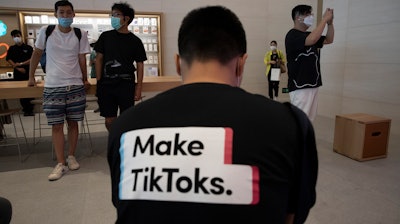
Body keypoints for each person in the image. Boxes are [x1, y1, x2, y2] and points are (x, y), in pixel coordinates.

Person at [107, 5, 318, 224]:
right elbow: (291, 216)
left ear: (178, 63)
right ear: (241, 64)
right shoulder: (289, 124)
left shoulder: (125, 127)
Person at [28, 0, 91, 181]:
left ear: (73, 14)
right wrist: (31, 77)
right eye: (61, 12)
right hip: (53, 85)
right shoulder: (46, 32)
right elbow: (37, 54)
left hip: (75, 85)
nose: (65, 16)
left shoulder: (79, 34)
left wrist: (85, 78)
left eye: (68, 12)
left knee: (73, 123)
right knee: (56, 126)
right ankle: (61, 163)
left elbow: (81, 59)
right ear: (55, 14)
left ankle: (71, 155)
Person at [94, 2, 147, 131]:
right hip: (106, 85)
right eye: (112, 15)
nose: (113, 18)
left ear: (126, 18)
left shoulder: (135, 41)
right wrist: (99, 82)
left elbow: (140, 64)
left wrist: (139, 86)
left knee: (126, 118)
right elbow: (99, 59)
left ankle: (123, 143)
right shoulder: (105, 37)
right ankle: (114, 140)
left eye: (117, 15)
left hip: (126, 85)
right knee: (109, 119)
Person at [285, 4, 334, 122]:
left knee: (309, 121)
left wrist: (330, 23)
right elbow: (311, 40)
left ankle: (305, 140)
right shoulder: (292, 35)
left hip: (313, 84)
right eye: (308, 14)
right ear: (298, 17)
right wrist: (324, 20)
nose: (311, 17)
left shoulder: (310, 35)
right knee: (299, 121)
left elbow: (329, 39)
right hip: (300, 85)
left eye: (311, 14)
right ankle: (296, 140)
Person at [6, 29, 34, 116]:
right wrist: (18, 68)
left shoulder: (28, 48)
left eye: (18, 36)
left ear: (21, 36)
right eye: (14, 37)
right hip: (18, 73)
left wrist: (21, 64)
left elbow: (32, 59)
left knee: (30, 91)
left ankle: (30, 110)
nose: (16, 38)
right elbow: (9, 59)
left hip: (28, 72)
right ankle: (25, 110)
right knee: (21, 92)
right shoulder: (12, 48)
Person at [89, 41, 100, 113]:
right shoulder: (98, 52)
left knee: (98, 91)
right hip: (99, 73)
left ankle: (100, 106)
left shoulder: (93, 53)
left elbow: (90, 63)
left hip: (95, 73)